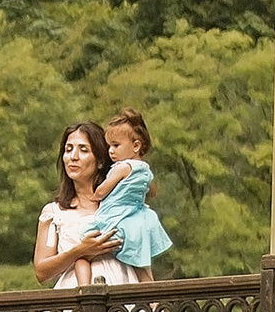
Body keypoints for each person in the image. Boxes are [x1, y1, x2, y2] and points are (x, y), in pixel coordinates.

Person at [34, 122, 134, 291]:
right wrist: (79, 251)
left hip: (124, 294)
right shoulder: (54, 213)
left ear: (101, 161)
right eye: (68, 149)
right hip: (74, 303)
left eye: (83, 150)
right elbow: (41, 272)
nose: (73, 156)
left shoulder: (121, 205)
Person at [89, 111, 172, 278]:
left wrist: (95, 196)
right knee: (142, 263)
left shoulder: (122, 167)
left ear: (136, 146)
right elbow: (151, 192)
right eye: (109, 146)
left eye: (116, 146)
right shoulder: (145, 169)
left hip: (118, 216)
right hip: (140, 216)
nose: (111, 151)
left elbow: (103, 189)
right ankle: (152, 297)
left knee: (88, 243)